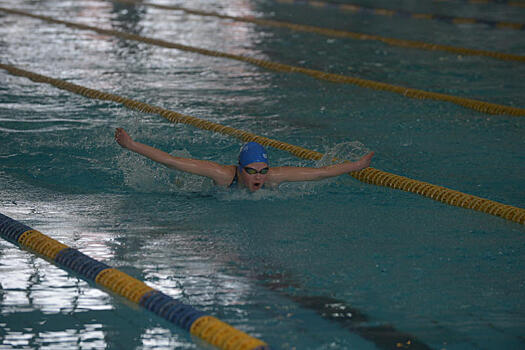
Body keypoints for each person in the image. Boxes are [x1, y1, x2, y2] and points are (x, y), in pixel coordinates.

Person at [114, 128, 374, 192]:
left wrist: (357, 166)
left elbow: (320, 172)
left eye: (263, 171)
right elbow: (171, 161)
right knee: (183, 181)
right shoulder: (222, 175)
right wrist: (132, 145)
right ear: (240, 169)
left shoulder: (274, 177)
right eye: (252, 171)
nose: (259, 177)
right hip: (205, 195)